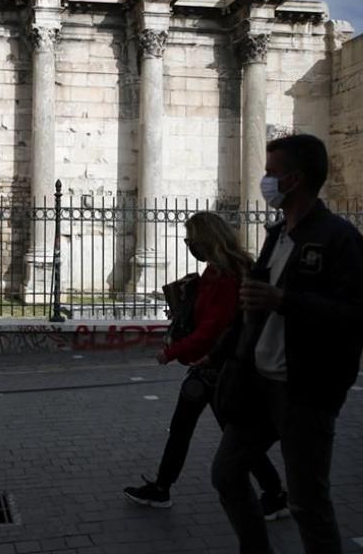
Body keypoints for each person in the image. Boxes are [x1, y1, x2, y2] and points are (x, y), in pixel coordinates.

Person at [211, 134, 363, 554]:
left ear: (294, 180)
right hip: (258, 383)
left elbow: (354, 314)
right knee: (226, 473)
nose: (265, 180)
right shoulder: (276, 234)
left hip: (304, 390)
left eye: (271, 173)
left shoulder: (338, 238)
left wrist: (285, 300)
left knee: (308, 503)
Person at [124, 213, 287, 519]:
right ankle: (163, 487)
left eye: (191, 239)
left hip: (219, 367)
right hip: (211, 367)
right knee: (191, 429)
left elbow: (214, 327)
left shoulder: (226, 277)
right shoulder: (216, 272)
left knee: (226, 436)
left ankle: (275, 494)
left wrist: (172, 352)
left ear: (206, 239)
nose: (188, 245)